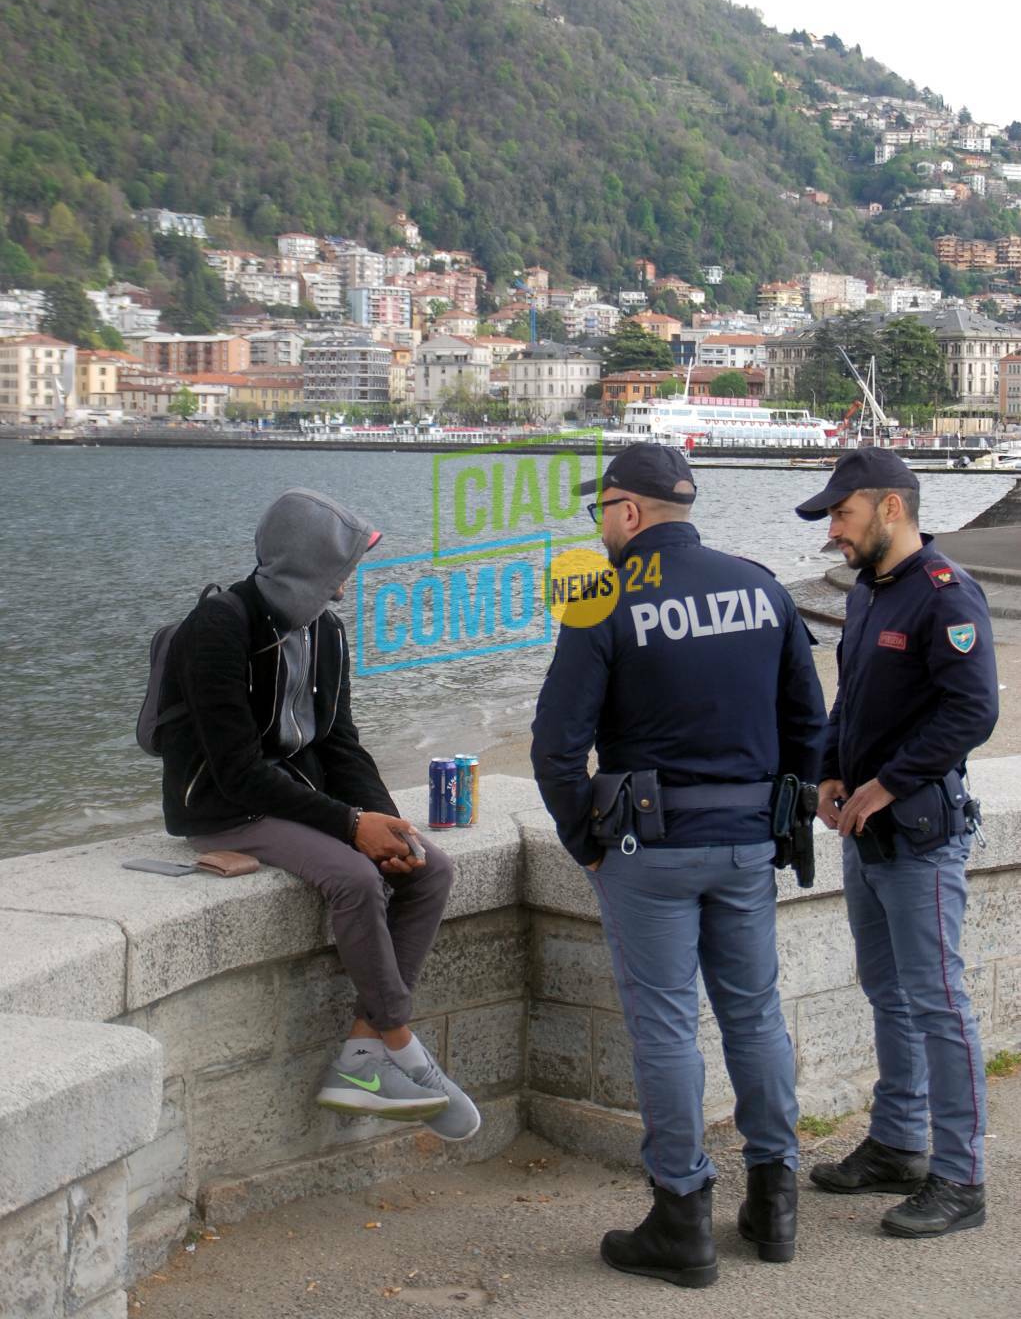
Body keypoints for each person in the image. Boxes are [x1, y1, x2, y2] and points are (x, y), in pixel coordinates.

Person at [531, 443, 827, 1286]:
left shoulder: (602, 596)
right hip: (744, 844)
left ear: (627, 512)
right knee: (753, 1015)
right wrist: (784, 817)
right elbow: (807, 723)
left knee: (664, 1028)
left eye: (602, 511)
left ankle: (680, 1216)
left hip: (649, 849)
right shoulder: (761, 587)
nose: (599, 527)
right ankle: (774, 1201)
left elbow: (557, 747)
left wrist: (582, 836)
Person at [159, 487, 479, 1141]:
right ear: (304, 562)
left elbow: (340, 744)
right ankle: (402, 1049)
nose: (344, 587)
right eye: (338, 570)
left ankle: (360, 1063)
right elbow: (237, 769)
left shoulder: (326, 634)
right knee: (353, 879)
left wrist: (387, 826)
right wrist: (346, 827)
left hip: (295, 798)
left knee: (426, 870)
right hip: (222, 805)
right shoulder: (219, 626)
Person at [794, 448, 998, 1237]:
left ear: (888, 507)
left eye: (840, 516)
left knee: (938, 1003)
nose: (831, 534)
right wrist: (828, 773)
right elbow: (851, 701)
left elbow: (969, 712)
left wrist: (887, 784)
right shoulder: (875, 594)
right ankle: (897, 1145)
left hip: (917, 833)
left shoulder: (944, 595)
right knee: (888, 994)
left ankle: (960, 1177)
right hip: (867, 834)